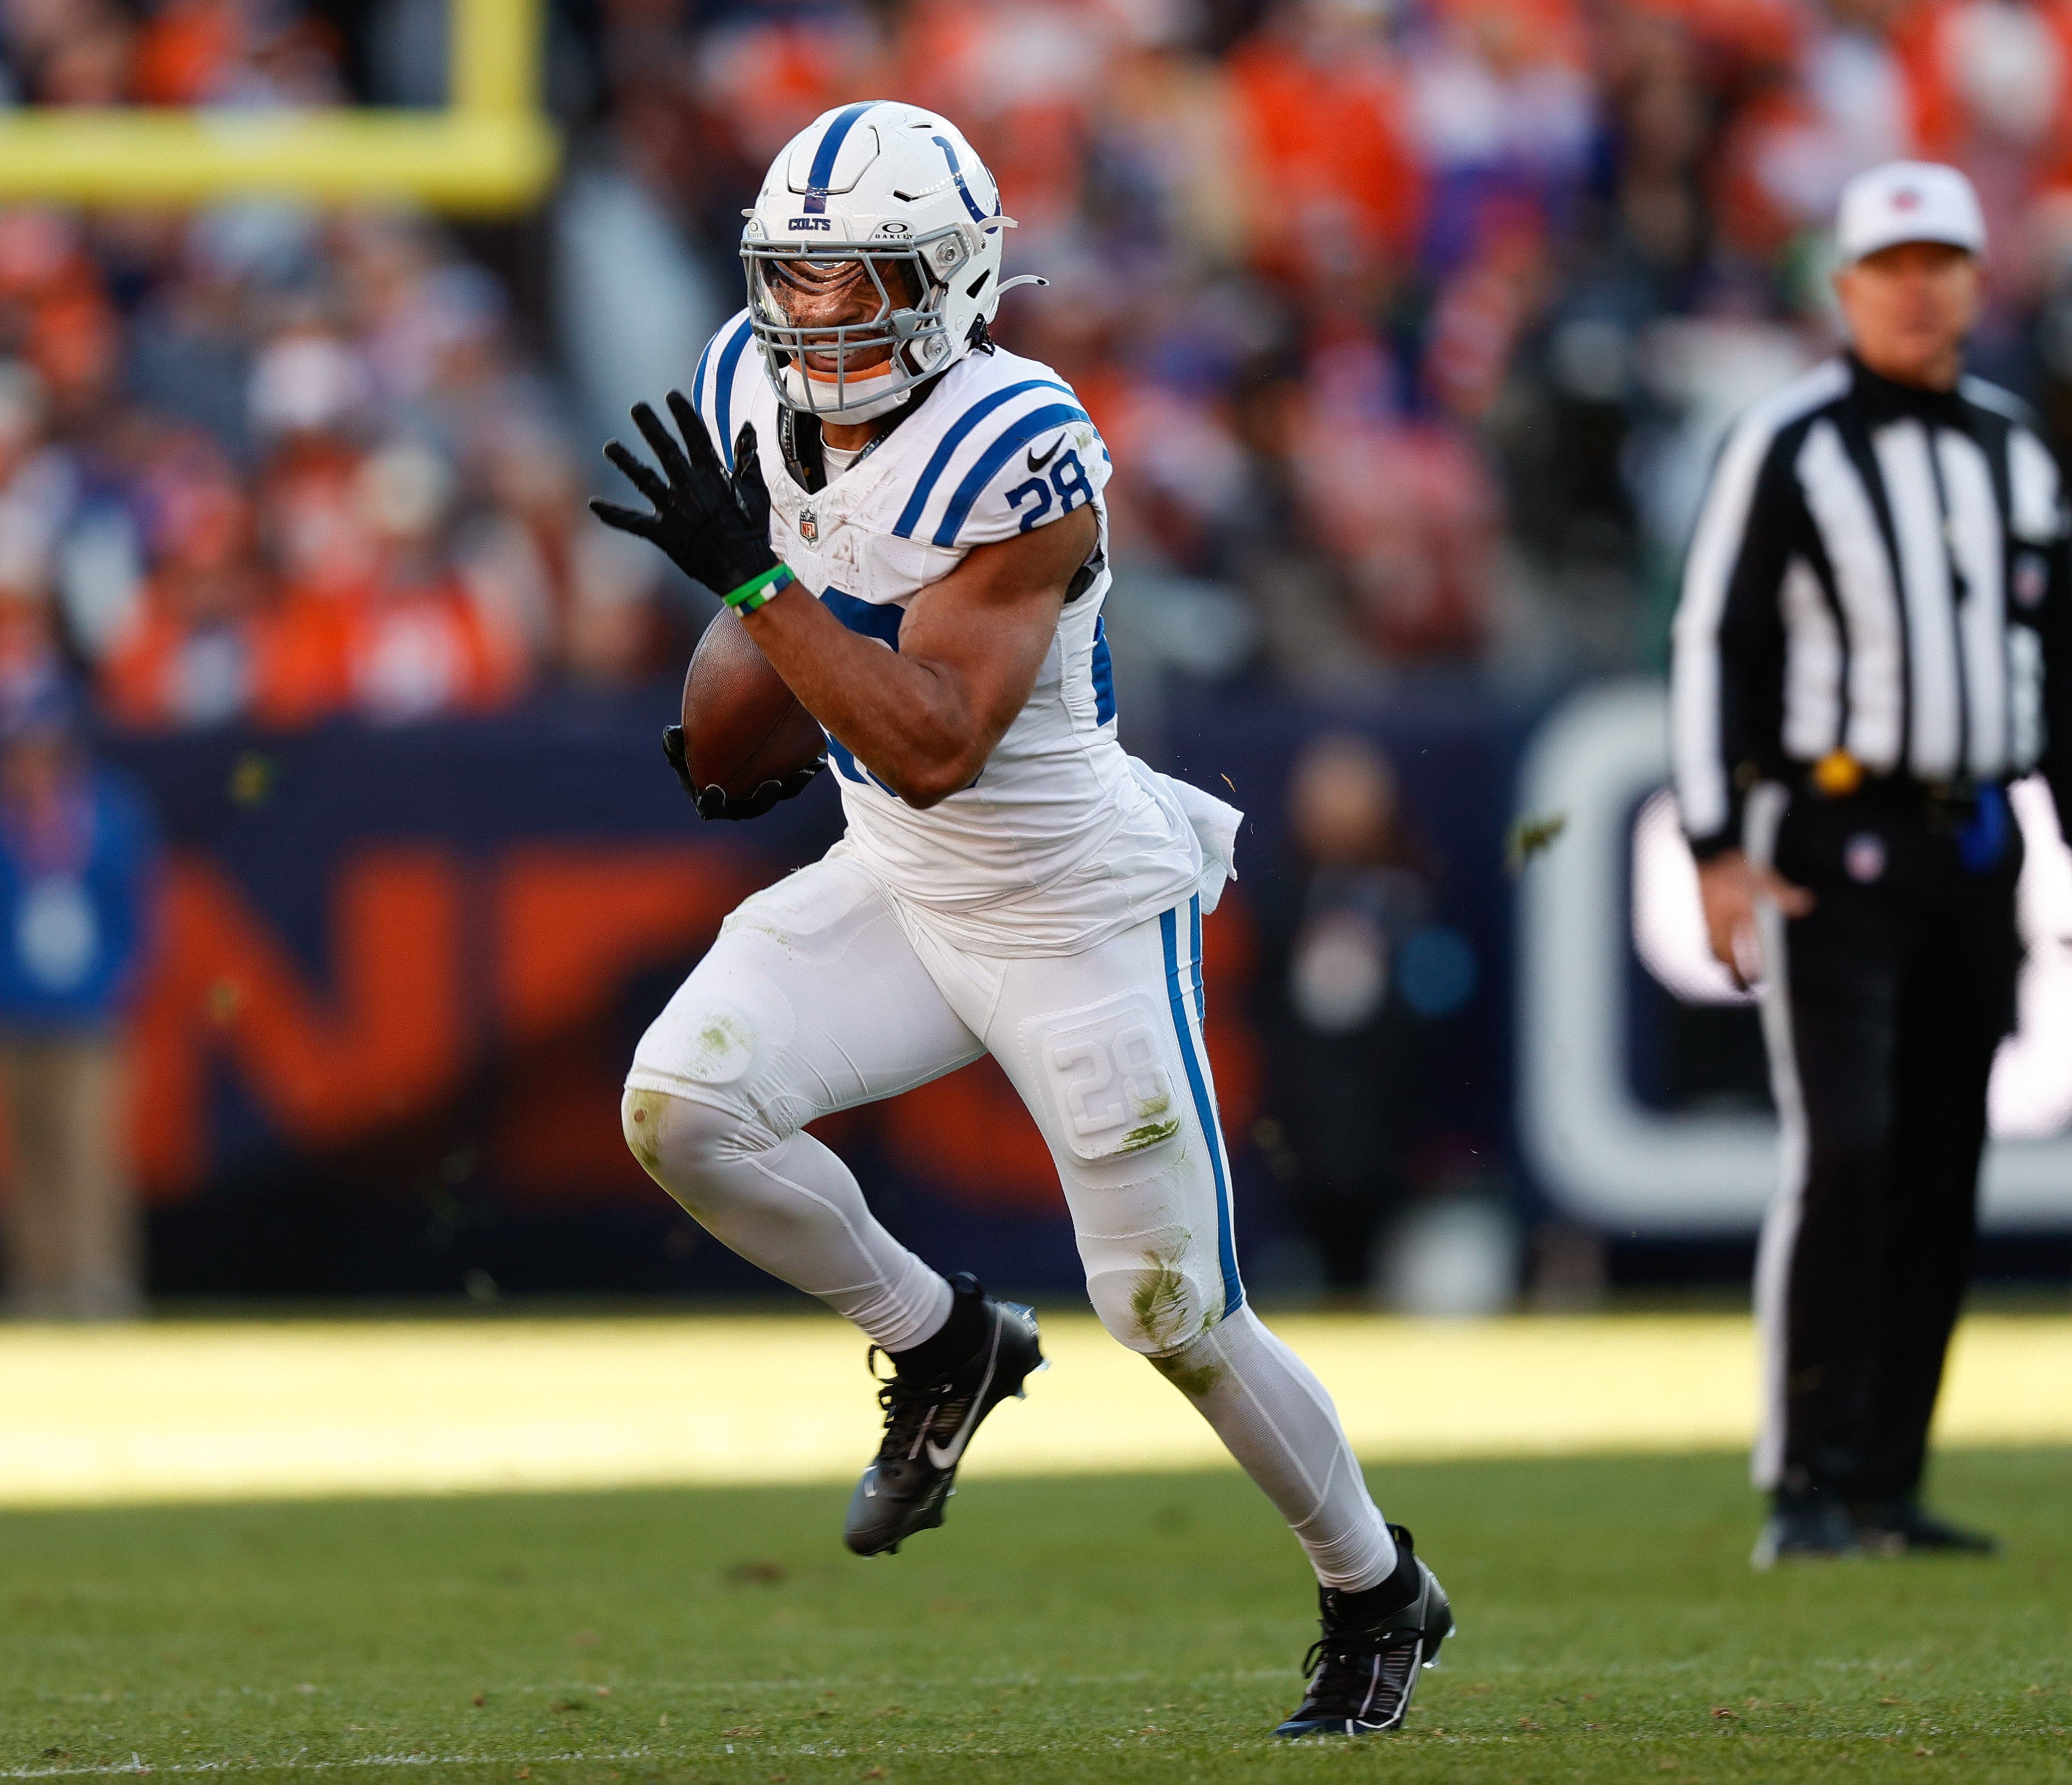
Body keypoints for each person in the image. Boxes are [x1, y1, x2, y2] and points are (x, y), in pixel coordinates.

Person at [593, 102, 1451, 1740]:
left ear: (953, 282)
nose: (822, 316)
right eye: (801, 279)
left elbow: (929, 740)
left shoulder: (1019, 440)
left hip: (1063, 901)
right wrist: (738, 643)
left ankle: (1370, 1584)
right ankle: (939, 1343)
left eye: (863, 280)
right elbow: (732, 741)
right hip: (892, 881)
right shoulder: (742, 388)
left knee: (1167, 1312)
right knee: (680, 1106)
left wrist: (761, 591)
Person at [1668, 161, 2072, 1569]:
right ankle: (1806, 1474)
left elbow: (2054, 664)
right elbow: (1717, 642)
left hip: (1975, 841)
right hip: (1834, 839)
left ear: (1979, 282)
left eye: (1945, 261)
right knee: (1850, 1147)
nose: (1921, 286)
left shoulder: (2013, 446)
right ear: (1846, 286)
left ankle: (1887, 1476)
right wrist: (1717, 845)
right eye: (1894, 263)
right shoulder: (1794, 441)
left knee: (1945, 1158)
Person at [0, 670, 157, 1319]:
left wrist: (114, 987)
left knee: (90, 1158)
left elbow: (137, 913)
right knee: (18, 1165)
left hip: (88, 1017)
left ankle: (97, 1284)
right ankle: (32, 1287)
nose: (30, 759)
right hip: (6, 1019)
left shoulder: (109, 812)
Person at [1254, 735, 1440, 1287]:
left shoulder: (1411, 903)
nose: (1338, 817)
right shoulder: (1279, 903)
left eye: (1352, 799)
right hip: (1297, 1138)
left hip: (1394, 1135)